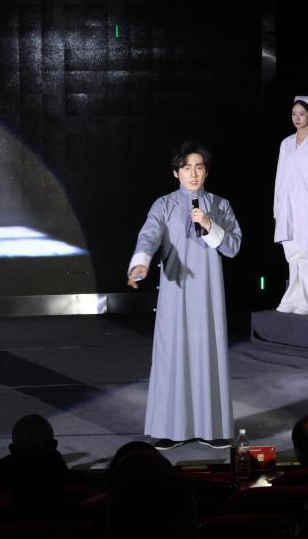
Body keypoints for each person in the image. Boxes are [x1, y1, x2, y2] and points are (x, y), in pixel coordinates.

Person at [127, 142, 242, 449]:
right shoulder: (164, 205)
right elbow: (149, 234)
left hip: (208, 292)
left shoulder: (219, 205)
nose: (193, 173)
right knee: (172, 356)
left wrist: (208, 223)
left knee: (209, 353)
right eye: (187, 167)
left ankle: (212, 428)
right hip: (175, 291)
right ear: (176, 172)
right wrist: (141, 262)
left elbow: (233, 246)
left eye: (199, 167)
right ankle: (169, 429)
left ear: (206, 171)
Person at [274, 96, 308, 315]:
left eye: (302, 114)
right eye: (294, 114)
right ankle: (294, 298)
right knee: (292, 254)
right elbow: (280, 177)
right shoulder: (286, 143)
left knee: (307, 253)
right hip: (287, 205)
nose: (297, 118)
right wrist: (277, 207)